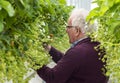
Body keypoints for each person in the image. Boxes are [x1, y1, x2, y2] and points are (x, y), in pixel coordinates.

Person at [37, 8, 108, 83]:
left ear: (77, 31)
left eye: (68, 27)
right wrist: (49, 49)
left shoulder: (78, 52)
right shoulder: (97, 47)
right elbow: (69, 64)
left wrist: (34, 62)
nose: (66, 30)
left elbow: (53, 77)